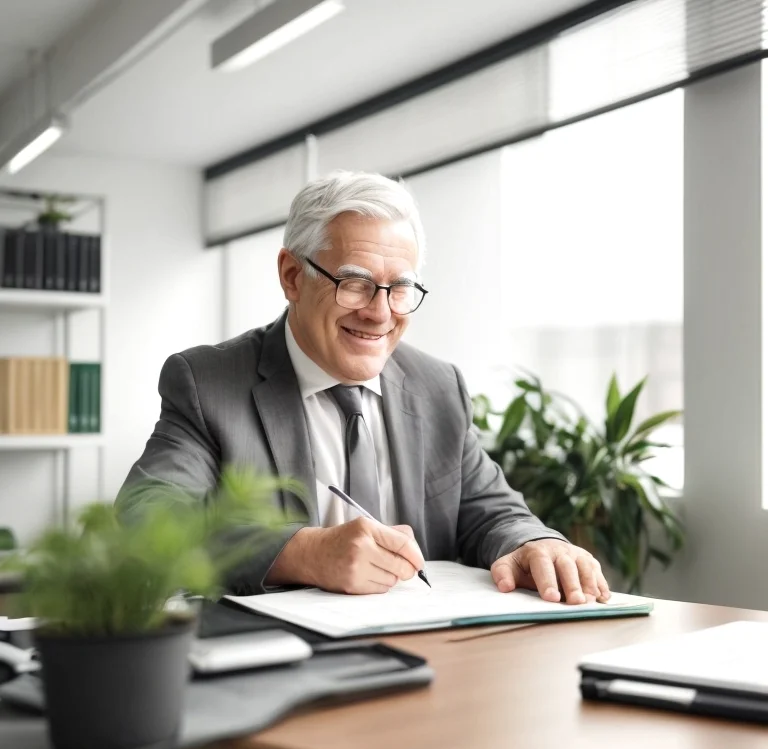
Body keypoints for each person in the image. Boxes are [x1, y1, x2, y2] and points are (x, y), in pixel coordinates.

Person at [117, 171, 610, 604]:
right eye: (353, 283)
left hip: (431, 662)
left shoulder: (438, 387)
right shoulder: (209, 383)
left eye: (400, 288)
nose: (379, 312)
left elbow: (489, 510)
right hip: (278, 666)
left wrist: (532, 544)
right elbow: (148, 523)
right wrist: (303, 553)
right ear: (292, 276)